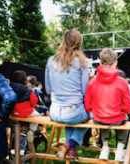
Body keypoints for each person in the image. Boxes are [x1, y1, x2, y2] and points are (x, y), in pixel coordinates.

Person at [45, 30, 89, 159]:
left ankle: (70, 150)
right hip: (74, 112)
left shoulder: (50, 61)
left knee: (72, 119)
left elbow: (48, 89)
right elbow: (85, 91)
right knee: (90, 116)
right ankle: (69, 144)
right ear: (79, 43)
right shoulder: (82, 62)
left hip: (54, 112)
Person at [85, 48, 130, 161]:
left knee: (105, 119)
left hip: (99, 118)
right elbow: (129, 107)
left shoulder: (92, 82)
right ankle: (120, 150)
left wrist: (98, 109)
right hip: (117, 119)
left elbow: (87, 106)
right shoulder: (122, 82)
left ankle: (105, 149)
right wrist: (121, 111)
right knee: (123, 119)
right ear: (116, 63)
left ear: (100, 63)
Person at [9, 70, 40, 156]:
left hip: (12, 114)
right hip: (26, 113)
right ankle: (31, 130)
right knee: (37, 116)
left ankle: (19, 132)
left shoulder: (8, 88)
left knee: (16, 123)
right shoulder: (29, 90)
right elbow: (34, 102)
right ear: (25, 81)